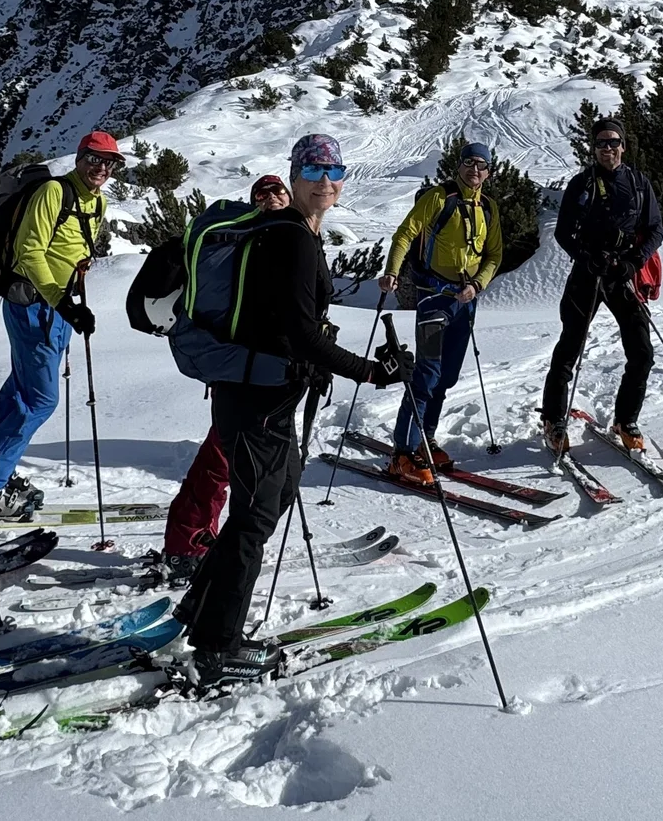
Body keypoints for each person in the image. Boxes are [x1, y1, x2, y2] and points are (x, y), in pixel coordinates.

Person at [174, 137, 411, 683]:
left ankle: (201, 607)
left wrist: (315, 361)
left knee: (277, 494)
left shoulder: (294, 233)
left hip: (261, 395)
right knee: (254, 516)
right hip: (255, 399)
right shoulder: (294, 239)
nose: (325, 180)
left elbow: (286, 325)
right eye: (313, 169)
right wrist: (370, 371)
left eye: (334, 169)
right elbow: (303, 334)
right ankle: (217, 647)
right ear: (294, 175)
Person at [0, 131, 120, 518]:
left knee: (20, 392)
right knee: (39, 400)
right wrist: (62, 302)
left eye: (110, 162)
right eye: (94, 159)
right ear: (79, 158)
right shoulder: (54, 192)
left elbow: (72, 251)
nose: (101, 168)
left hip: (59, 308)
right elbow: (28, 251)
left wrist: (72, 298)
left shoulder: (97, 200)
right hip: (35, 305)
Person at [156, 174, 288, 587]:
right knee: (223, 458)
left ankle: (195, 536)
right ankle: (189, 542)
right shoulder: (250, 240)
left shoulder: (281, 237)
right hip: (243, 367)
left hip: (253, 367)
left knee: (228, 457)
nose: (271, 197)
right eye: (263, 192)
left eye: (277, 191)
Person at [378, 142, 503, 483]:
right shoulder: (439, 197)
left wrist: (477, 285)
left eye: (481, 164)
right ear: (458, 166)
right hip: (433, 297)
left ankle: (425, 440)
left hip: (465, 301)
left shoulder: (488, 207)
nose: (474, 169)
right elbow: (405, 233)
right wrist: (392, 270)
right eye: (468, 162)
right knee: (427, 374)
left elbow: (494, 255)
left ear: (488, 172)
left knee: (446, 376)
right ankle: (403, 452)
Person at [539, 117, 663, 455]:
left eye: (613, 141)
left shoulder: (639, 183)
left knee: (642, 352)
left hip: (623, 274)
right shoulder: (582, 184)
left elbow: (655, 229)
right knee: (570, 347)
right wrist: (585, 257)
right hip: (587, 273)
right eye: (601, 143)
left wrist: (634, 262)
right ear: (593, 148)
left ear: (623, 145)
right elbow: (563, 232)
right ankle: (553, 419)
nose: (608, 148)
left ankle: (626, 420)